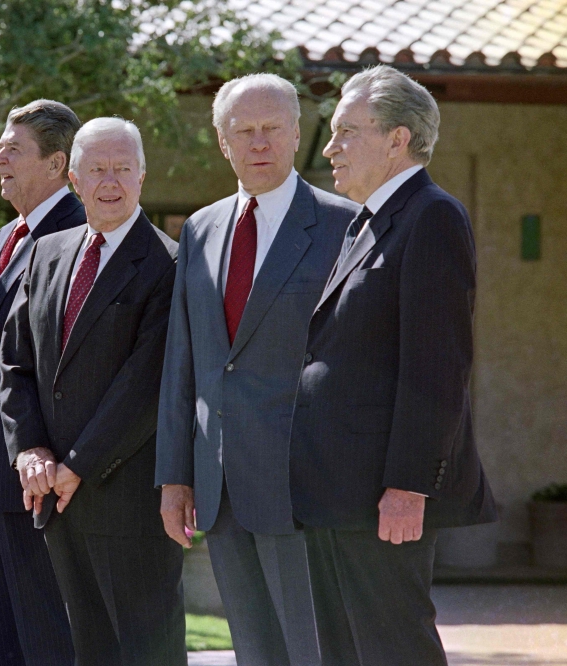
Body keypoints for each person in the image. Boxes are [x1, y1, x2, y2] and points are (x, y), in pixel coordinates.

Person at [291, 65, 497, 665]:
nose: (330, 148)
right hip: (334, 489)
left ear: (397, 138)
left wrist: (408, 485)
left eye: (346, 131)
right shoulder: (365, 223)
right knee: (343, 652)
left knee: (391, 649)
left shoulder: (432, 216)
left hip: (382, 495)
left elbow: (437, 367)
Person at [155, 73, 358, 666]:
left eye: (272, 128)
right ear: (223, 142)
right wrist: (175, 475)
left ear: (297, 133)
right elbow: (182, 360)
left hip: (304, 486)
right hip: (218, 486)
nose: (259, 142)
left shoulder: (343, 225)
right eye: (243, 131)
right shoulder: (200, 228)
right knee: (255, 651)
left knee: (315, 650)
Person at [0, 117, 184, 666]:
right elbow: (15, 361)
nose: (111, 181)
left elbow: (145, 383)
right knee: (89, 651)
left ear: (142, 176)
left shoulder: (168, 263)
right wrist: (29, 448)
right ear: (74, 180)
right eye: (97, 169)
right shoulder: (47, 253)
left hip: (129, 503)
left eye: (123, 168)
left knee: (146, 651)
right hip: (57, 498)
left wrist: (75, 465)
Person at [0, 99, 84, 666]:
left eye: (14, 148)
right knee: (6, 638)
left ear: (56, 164)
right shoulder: (8, 234)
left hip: (40, 478)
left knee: (47, 640)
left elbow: (63, 363)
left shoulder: (78, 232)